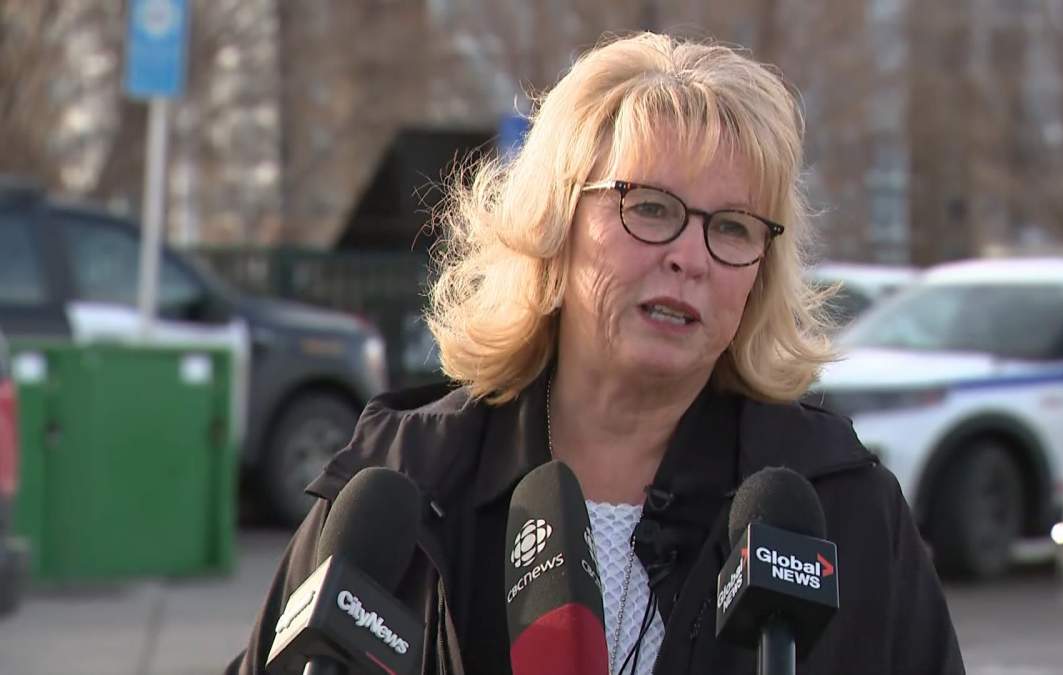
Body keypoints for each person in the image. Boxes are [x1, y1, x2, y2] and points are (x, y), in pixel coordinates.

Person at [229, 32, 964, 675]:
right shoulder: (402, 483)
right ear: (556, 221)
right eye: (649, 208)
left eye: (733, 227)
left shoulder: (837, 505)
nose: (689, 257)